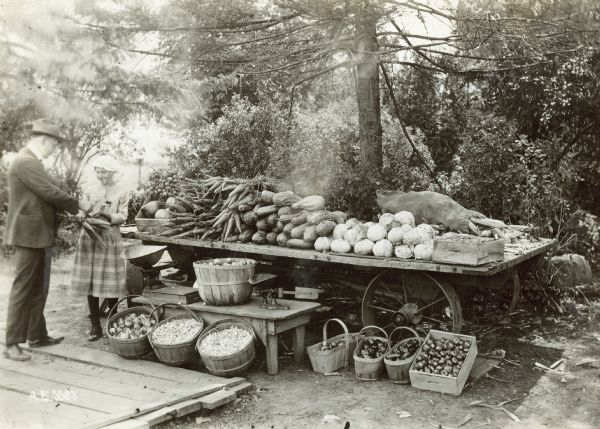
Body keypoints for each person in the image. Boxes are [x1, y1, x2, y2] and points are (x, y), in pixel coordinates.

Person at [3, 118, 91, 361]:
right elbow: (48, 192)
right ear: (44, 139)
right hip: (28, 235)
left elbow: (43, 196)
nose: (54, 149)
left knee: (39, 286)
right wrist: (78, 204)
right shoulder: (25, 161)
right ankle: (11, 343)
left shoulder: (31, 161)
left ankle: (37, 335)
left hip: (38, 233)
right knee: (23, 288)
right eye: (54, 144)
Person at [70, 154, 130, 341]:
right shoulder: (90, 189)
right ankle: (95, 325)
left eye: (103, 172)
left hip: (110, 237)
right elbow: (82, 209)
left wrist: (105, 214)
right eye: (98, 172)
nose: (100, 175)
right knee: (91, 281)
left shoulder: (122, 191)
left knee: (110, 281)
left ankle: (112, 322)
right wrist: (80, 215)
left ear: (112, 172)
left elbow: (123, 215)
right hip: (90, 238)